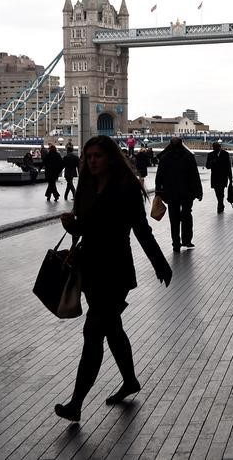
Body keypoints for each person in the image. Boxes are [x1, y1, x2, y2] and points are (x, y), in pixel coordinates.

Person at [55, 135, 172, 422]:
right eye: (89, 156)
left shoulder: (127, 187)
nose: (92, 161)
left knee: (92, 333)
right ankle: (130, 380)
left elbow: (141, 230)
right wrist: (73, 225)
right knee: (112, 330)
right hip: (91, 270)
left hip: (116, 271)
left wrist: (160, 263)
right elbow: (86, 226)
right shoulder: (86, 184)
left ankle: (76, 403)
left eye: (97, 156)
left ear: (110, 157)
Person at [155, 137, 203, 252]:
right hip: (187, 193)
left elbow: (159, 176)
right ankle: (187, 240)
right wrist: (198, 191)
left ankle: (176, 243)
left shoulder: (165, 157)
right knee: (186, 215)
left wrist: (159, 192)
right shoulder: (188, 156)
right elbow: (195, 175)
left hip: (171, 193)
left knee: (174, 218)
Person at [206, 141, 233, 213]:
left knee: (221, 191)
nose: (215, 149)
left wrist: (230, 178)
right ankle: (221, 203)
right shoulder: (210, 155)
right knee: (217, 192)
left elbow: (228, 166)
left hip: (223, 177)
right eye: (214, 147)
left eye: (216, 147)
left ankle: (220, 204)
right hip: (215, 177)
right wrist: (213, 162)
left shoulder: (225, 154)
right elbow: (207, 166)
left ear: (219, 147)